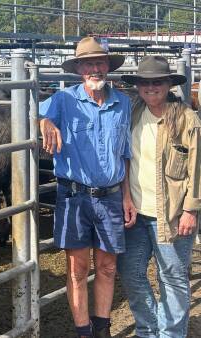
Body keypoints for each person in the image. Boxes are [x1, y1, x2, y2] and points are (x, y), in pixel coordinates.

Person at [39, 37, 135, 338]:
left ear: (108, 66)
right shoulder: (63, 99)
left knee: (107, 267)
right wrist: (44, 123)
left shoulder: (124, 103)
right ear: (79, 69)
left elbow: (126, 153)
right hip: (74, 195)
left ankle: (102, 329)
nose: (95, 68)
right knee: (77, 269)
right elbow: (35, 115)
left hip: (111, 196)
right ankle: (83, 331)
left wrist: (127, 196)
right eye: (88, 63)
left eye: (100, 62)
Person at [117, 55, 201, 338]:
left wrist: (191, 210)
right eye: (145, 82)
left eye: (157, 82)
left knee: (173, 279)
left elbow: (198, 169)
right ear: (138, 86)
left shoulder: (186, 118)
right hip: (137, 214)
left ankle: (170, 334)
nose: (151, 87)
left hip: (174, 215)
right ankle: (148, 329)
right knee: (130, 274)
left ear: (168, 84)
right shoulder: (133, 113)